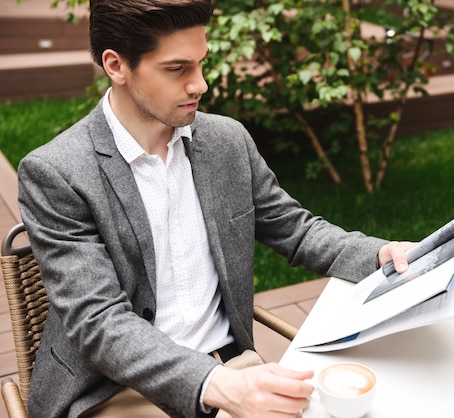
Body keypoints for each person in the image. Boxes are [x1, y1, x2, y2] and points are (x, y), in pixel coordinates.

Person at [17, 1, 412, 417]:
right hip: (114, 390)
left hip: (229, 365)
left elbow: (294, 229)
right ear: (116, 65)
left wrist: (377, 255)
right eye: (177, 69)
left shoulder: (226, 141)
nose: (200, 84)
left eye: (201, 63)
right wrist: (215, 385)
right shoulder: (57, 173)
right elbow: (99, 324)